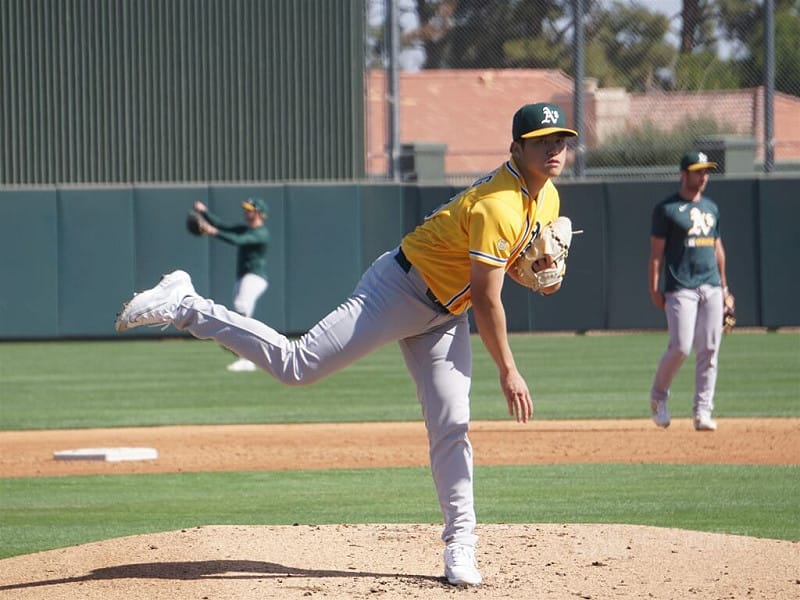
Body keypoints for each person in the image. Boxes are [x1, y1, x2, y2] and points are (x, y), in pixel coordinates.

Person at [115, 102, 578, 586]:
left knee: (452, 425)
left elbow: (503, 268)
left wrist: (535, 273)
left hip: (445, 315)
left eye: (560, 140)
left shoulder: (546, 198)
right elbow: (486, 298)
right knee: (297, 366)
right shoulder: (497, 205)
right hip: (399, 290)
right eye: (541, 141)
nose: (554, 149)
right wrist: (508, 370)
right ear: (515, 147)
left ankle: (460, 544)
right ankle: (186, 304)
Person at [648, 151, 733, 432]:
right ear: (683, 174)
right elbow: (656, 254)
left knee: (709, 349)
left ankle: (703, 411)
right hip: (680, 286)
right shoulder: (667, 209)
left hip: (711, 285)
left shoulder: (711, 208)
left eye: (706, 171)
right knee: (681, 347)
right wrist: (654, 288)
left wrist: (725, 288)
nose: (703, 176)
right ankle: (658, 398)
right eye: (698, 171)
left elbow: (718, 249)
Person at [193, 197, 270, 372]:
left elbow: (238, 240)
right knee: (241, 315)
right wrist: (204, 212)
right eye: (246, 209)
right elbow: (223, 225)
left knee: (241, 308)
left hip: (255, 277)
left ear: (258, 213)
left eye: (249, 209)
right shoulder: (247, 228)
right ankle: (247, 354)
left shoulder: (261, 233)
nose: (246, 212)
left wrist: (213, 231)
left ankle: (247, 356)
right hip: (244, 277)